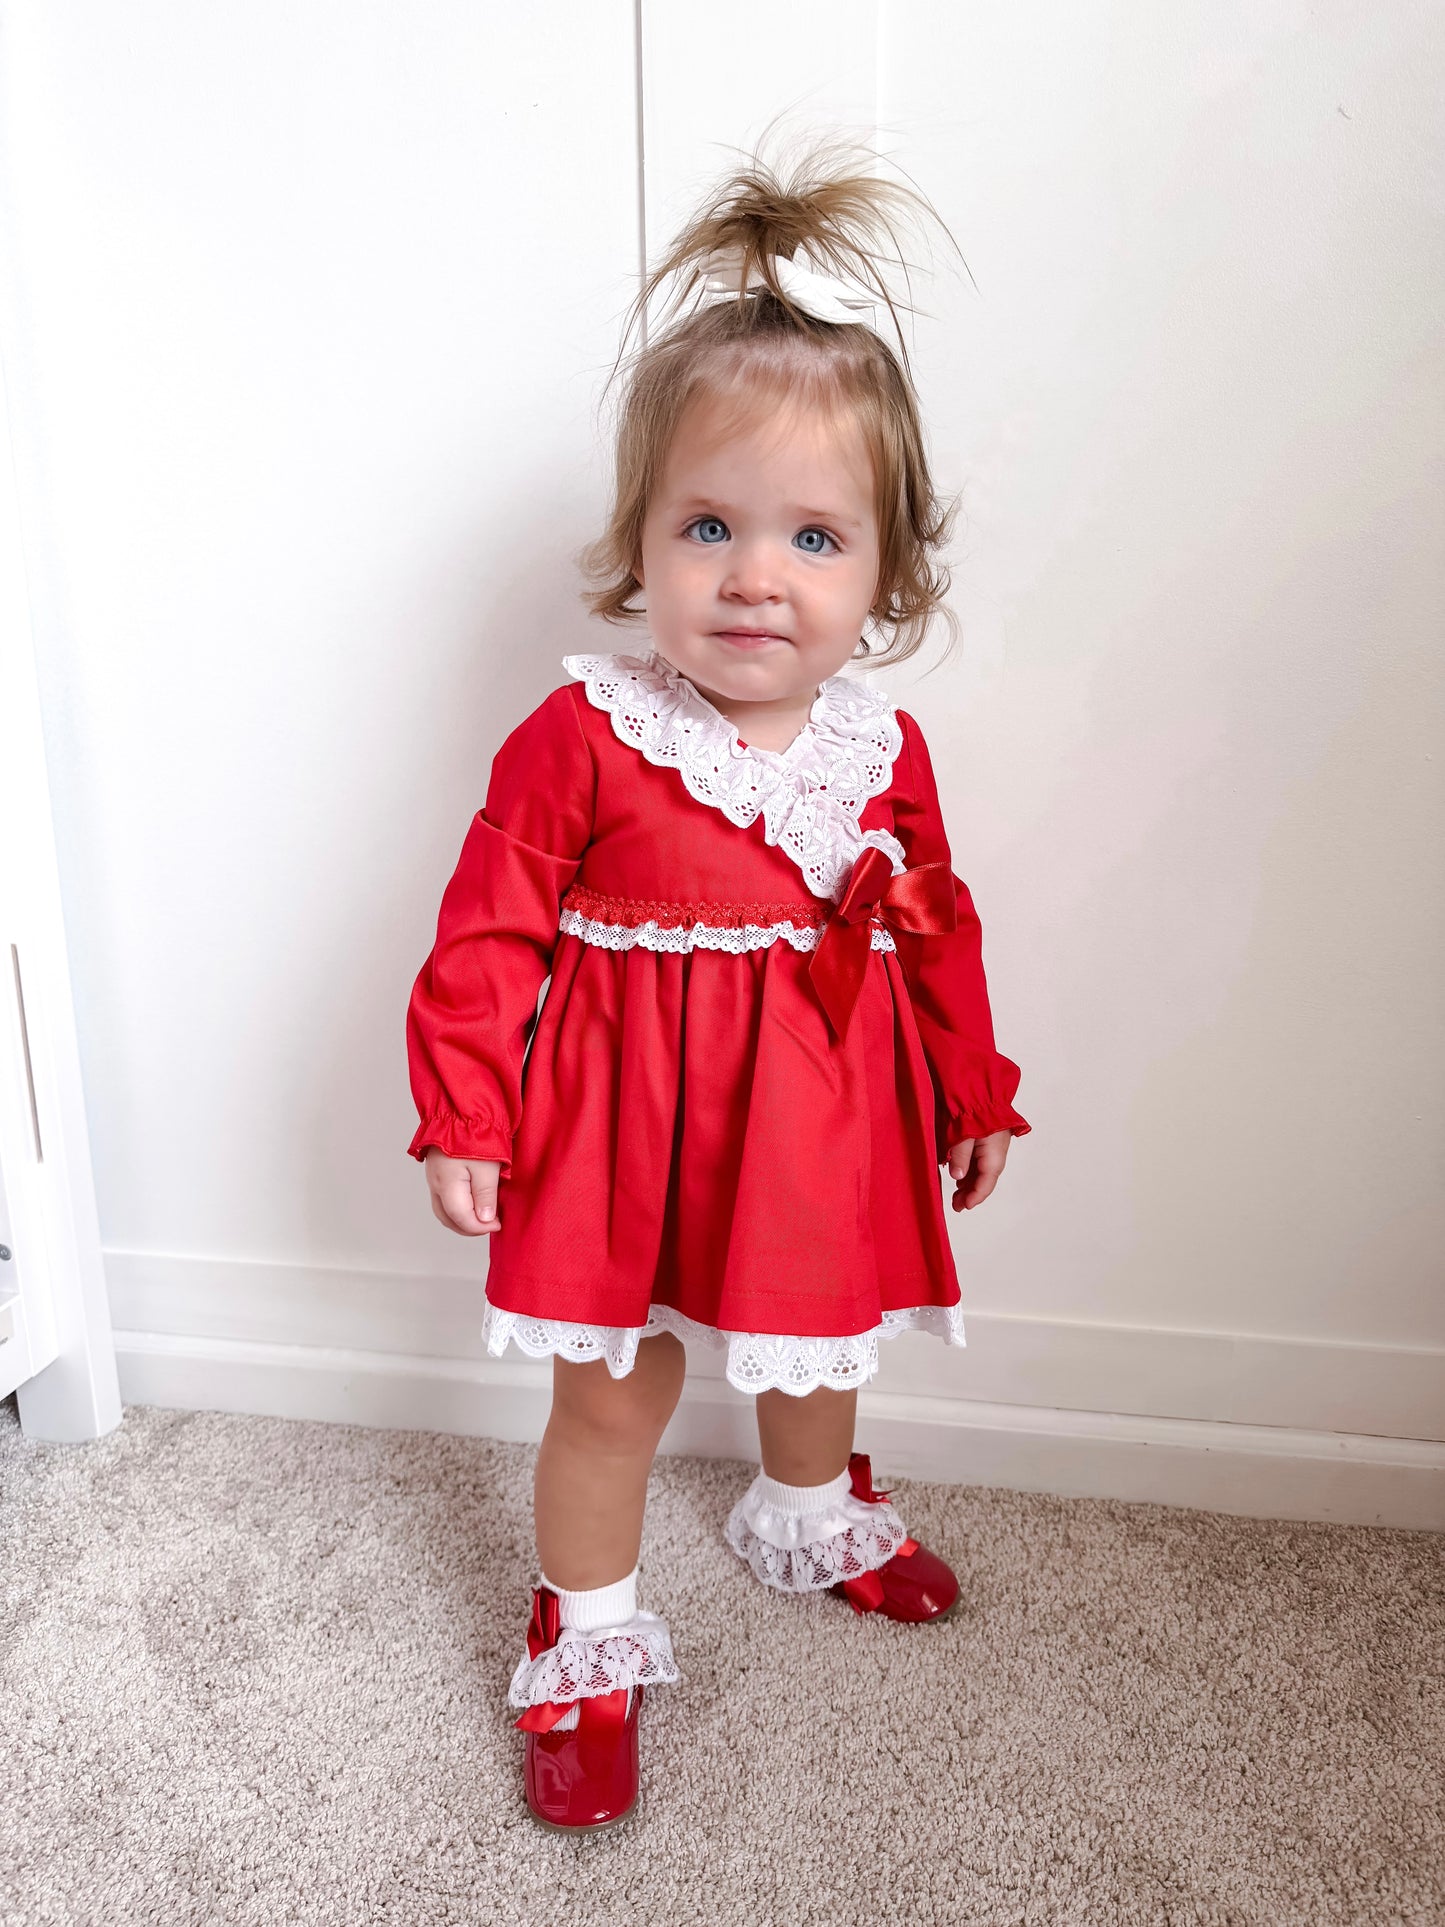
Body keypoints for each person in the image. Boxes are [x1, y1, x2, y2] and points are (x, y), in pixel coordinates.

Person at [405, 131, 1032, 1833]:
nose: (756, 575)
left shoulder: (881, 748)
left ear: (886, 573)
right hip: (617, 1124)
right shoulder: (583, 732)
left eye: (814, 537)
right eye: (708, 527)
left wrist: (971, 1085)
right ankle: (585, 1626)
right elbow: (487, 930)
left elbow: (931, 925)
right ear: (640, 544)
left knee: (814, 1342)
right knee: (613, 1388)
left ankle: (807, 1512)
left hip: (814, 1114)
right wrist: (465, 1110)